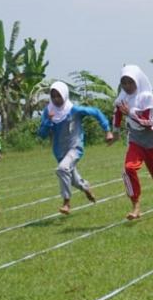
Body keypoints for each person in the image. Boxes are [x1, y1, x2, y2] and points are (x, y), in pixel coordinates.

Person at [38, 81, 114, 215]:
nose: (56, 99)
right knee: (74, 180)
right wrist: (47, 121)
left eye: (58, 96)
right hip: (59, 152)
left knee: (62, 169)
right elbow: (42, 134)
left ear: (65, 95)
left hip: (75, 148)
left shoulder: (74, 110)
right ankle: (86, 188)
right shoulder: (48, 111)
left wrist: (107, 130)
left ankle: (66, 202)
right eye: (53, 96)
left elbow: (96, 112)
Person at [113, 65, 153, 220]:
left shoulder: (146, 97)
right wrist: (114, 133)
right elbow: (117, 115)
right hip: (135, 139)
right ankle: (135, 206)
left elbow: (149, 121)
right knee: (128, 169)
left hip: (151, 139)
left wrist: (131, 113)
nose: (127, 86)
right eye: (124, 83)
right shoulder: (121, 99)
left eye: (130, 82)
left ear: (137, 81)